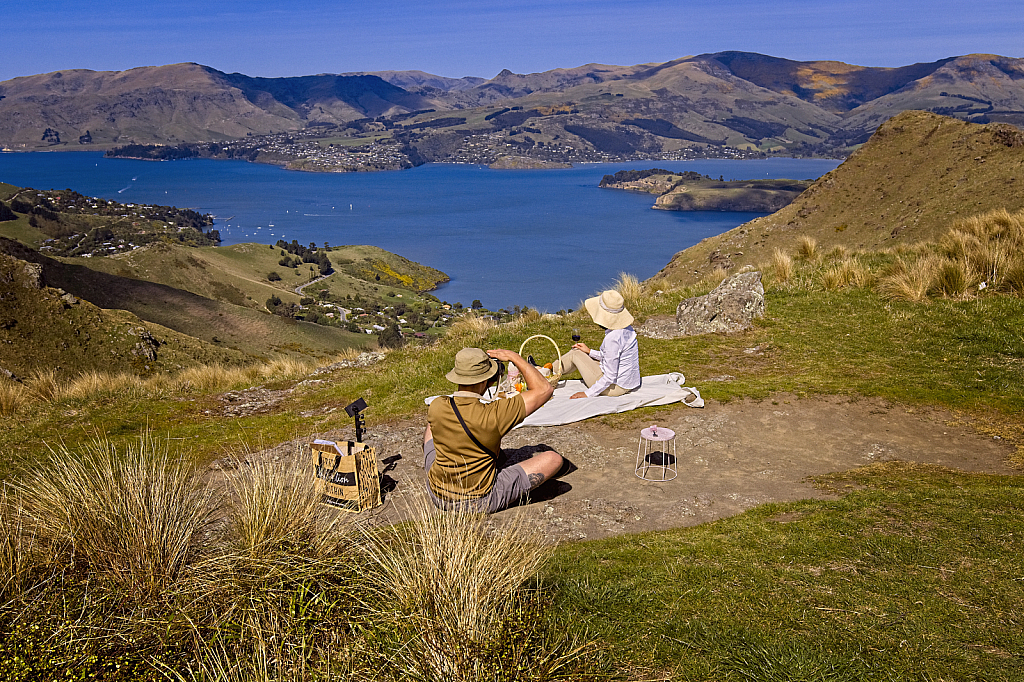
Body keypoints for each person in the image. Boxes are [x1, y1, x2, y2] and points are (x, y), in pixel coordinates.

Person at [424, 347, 563, 513]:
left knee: (431, 426)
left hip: (437, 493)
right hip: (477, 501)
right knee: (554, 459)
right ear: (486, 380)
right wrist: (514, 357)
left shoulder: (437, 404)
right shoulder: (495, 413)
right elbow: (544, 389)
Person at [559, 289, 641, 399]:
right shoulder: (627, 329)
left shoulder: (613, 338)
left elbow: (610, 376)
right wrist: (589, 352)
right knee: (580, 353)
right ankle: (545, 372)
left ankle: (544, 373)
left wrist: (588, 394)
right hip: (628, 383)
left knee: (575, 354)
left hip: (615, 387)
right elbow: (613, 358)